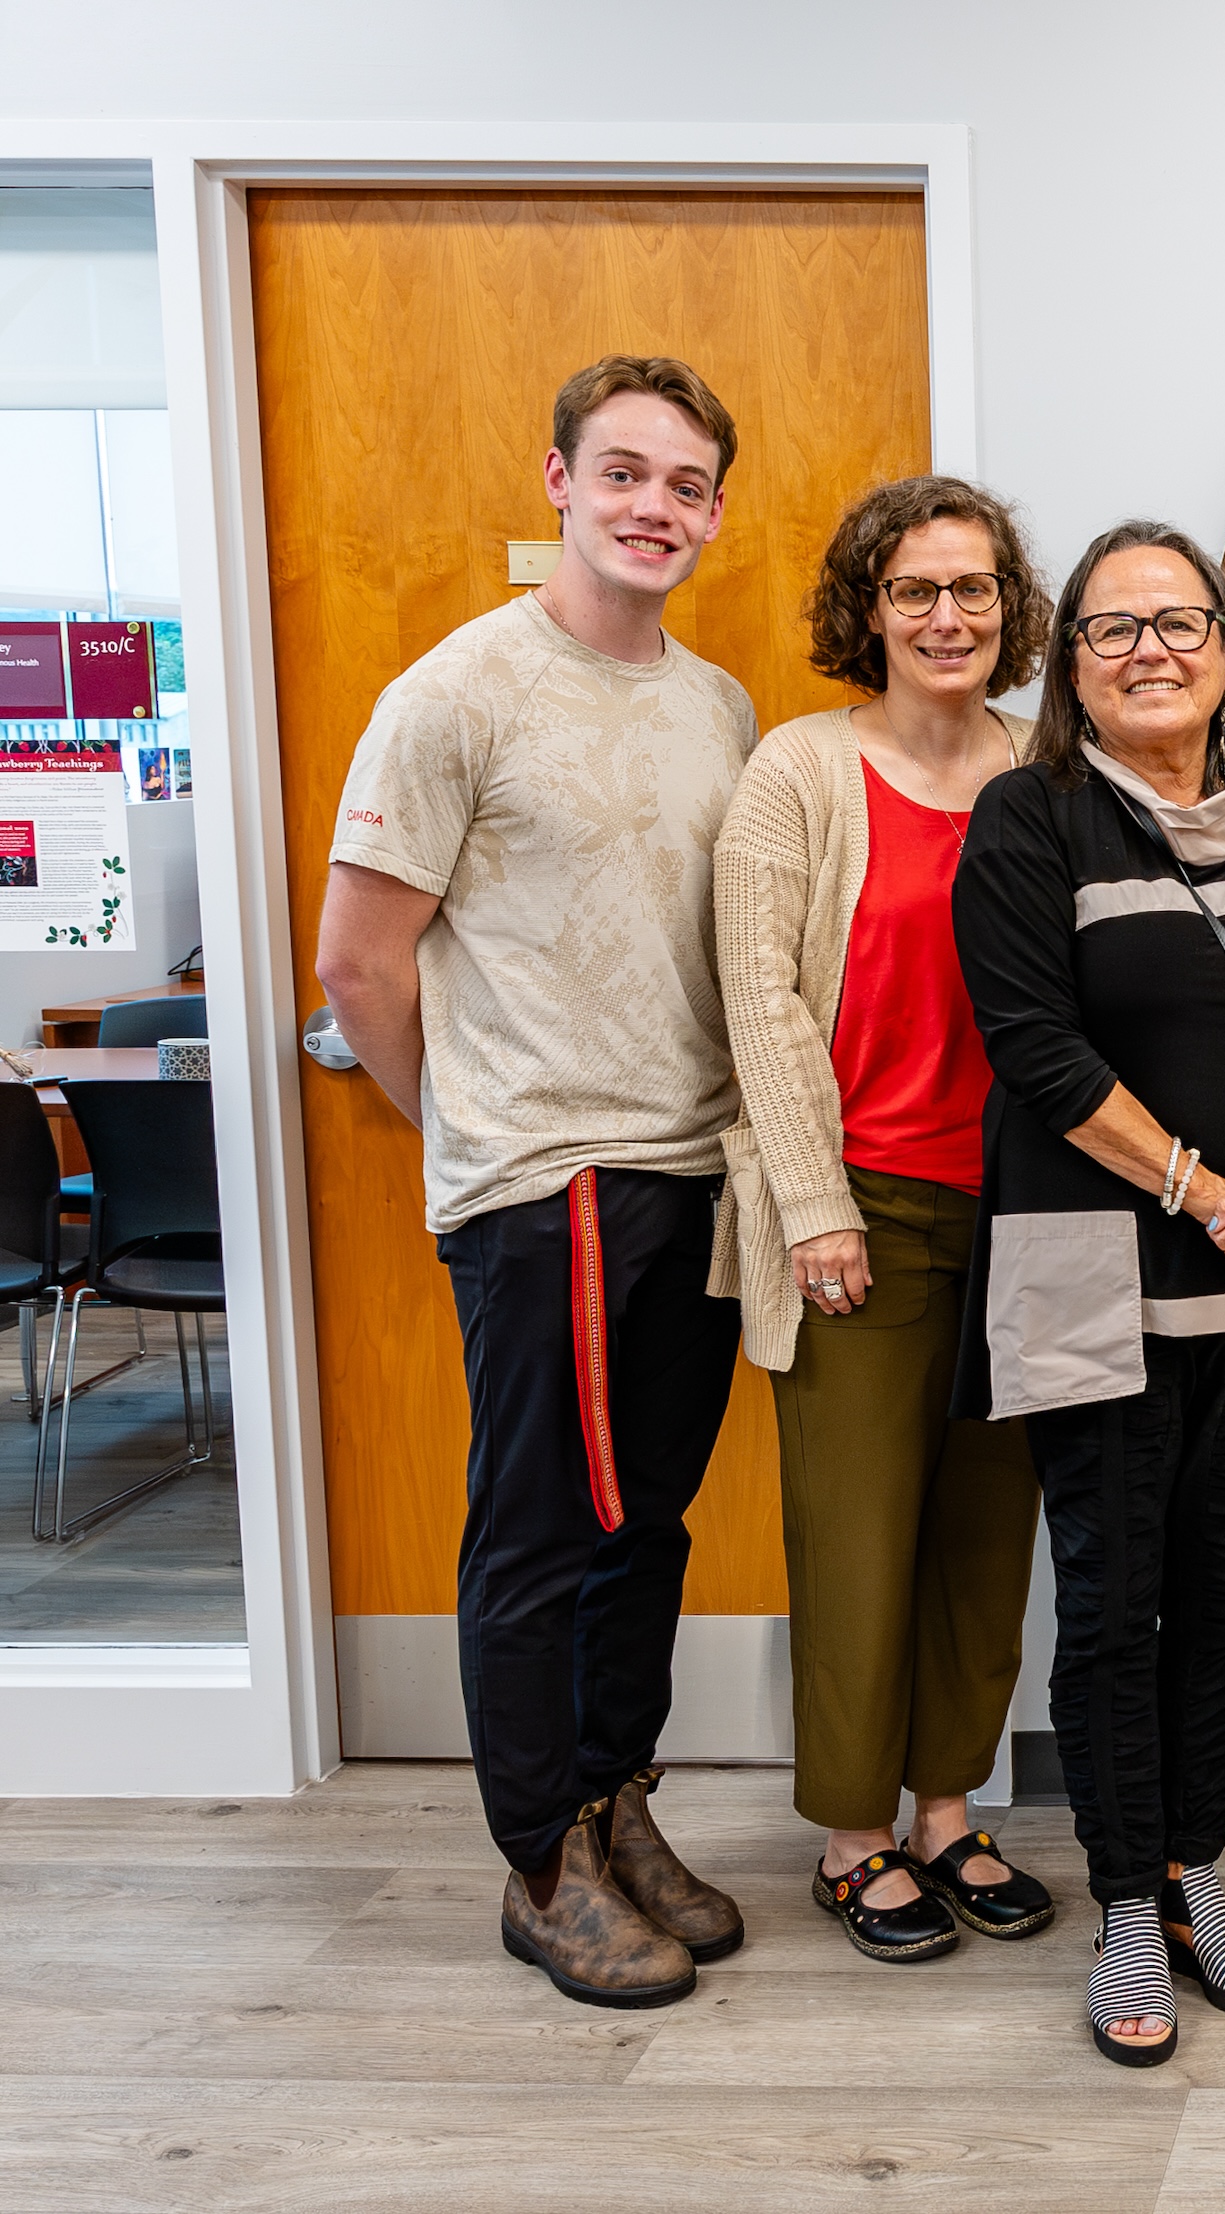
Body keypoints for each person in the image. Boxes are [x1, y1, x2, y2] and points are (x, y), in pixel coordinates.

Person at [312, 355, 756, 2009]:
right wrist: (476, 1145)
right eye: (625, 471)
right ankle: (538, 1861)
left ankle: (614, 1798)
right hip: (547, 1181)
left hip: (693, 1168)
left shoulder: (715, 704)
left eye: (688, 484)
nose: (656, 506)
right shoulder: (457, 694)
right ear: (558, 478)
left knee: (648, 1523)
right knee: (540, 1531)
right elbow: (359, 966)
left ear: (714, 512)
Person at [950, 520, 1225, 2064]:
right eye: (1109, 627)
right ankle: (1125, 1897)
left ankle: (1193, 1866)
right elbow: (1037, 1052)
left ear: (1224, 645)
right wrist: (1204, 1188)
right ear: (1069, 665)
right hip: (1091, 1278)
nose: (1148, 648)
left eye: (1176, 621)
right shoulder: (1030, 818)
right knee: (1113, 1599)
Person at [712, 476, 1056, 1962]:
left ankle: (946, 1809)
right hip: (868, 1207)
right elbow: (762, 1002)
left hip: (1039, 1210)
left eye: (972, 588)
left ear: (1010, 608)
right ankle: (854, 1839)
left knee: (991, 1538)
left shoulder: (1052, 770)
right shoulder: (797, 772)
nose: (945, 616)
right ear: (868, 609)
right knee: (857, 1536)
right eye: (914, 590)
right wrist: (812, 1203)